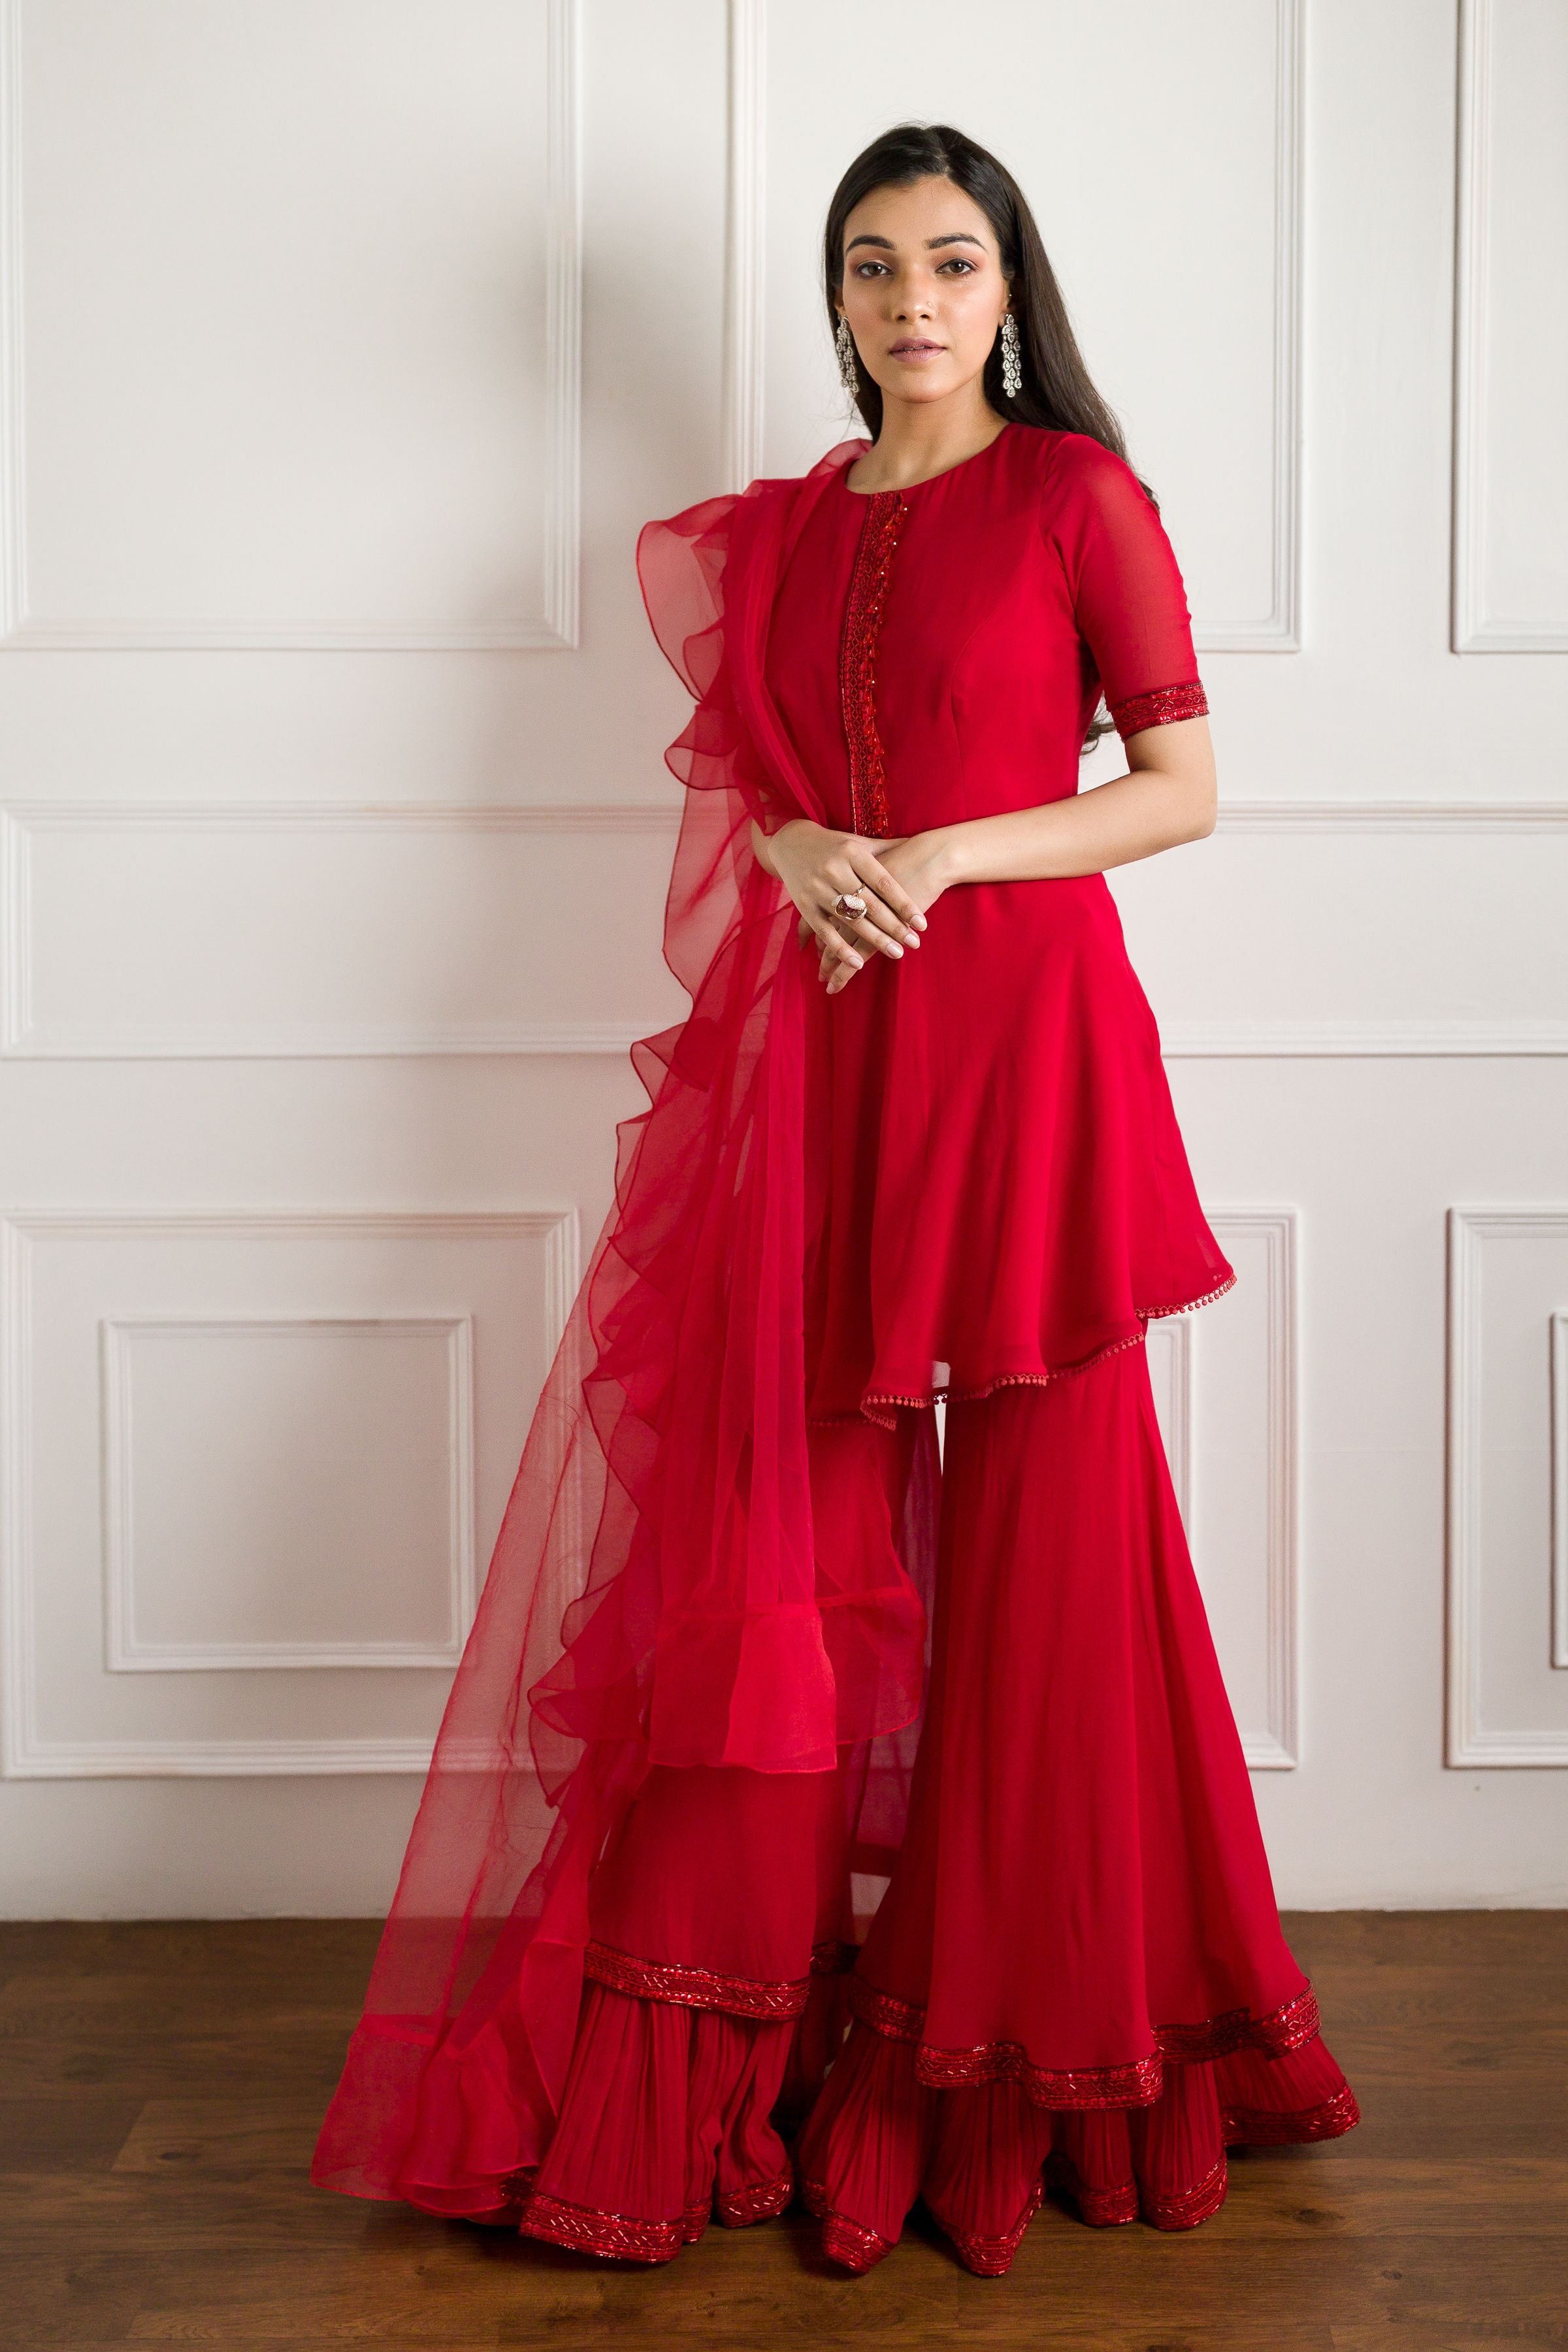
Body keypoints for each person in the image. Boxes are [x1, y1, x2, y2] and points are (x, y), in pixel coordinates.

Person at [312, 121, 1359, 2279]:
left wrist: (953, 851)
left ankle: (1026, 2042)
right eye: (875, 265)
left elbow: (1180, 789)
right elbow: (767, 791)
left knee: (1056, 1533)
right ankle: (713, 2029)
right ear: (841, 297)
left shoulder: (1075, 496)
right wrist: (803, 851)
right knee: (774, 1530)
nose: (912, 301)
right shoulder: (788, 529)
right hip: (826, 1063)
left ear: (1009, 289)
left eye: (952, 263)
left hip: (1028, 1050)